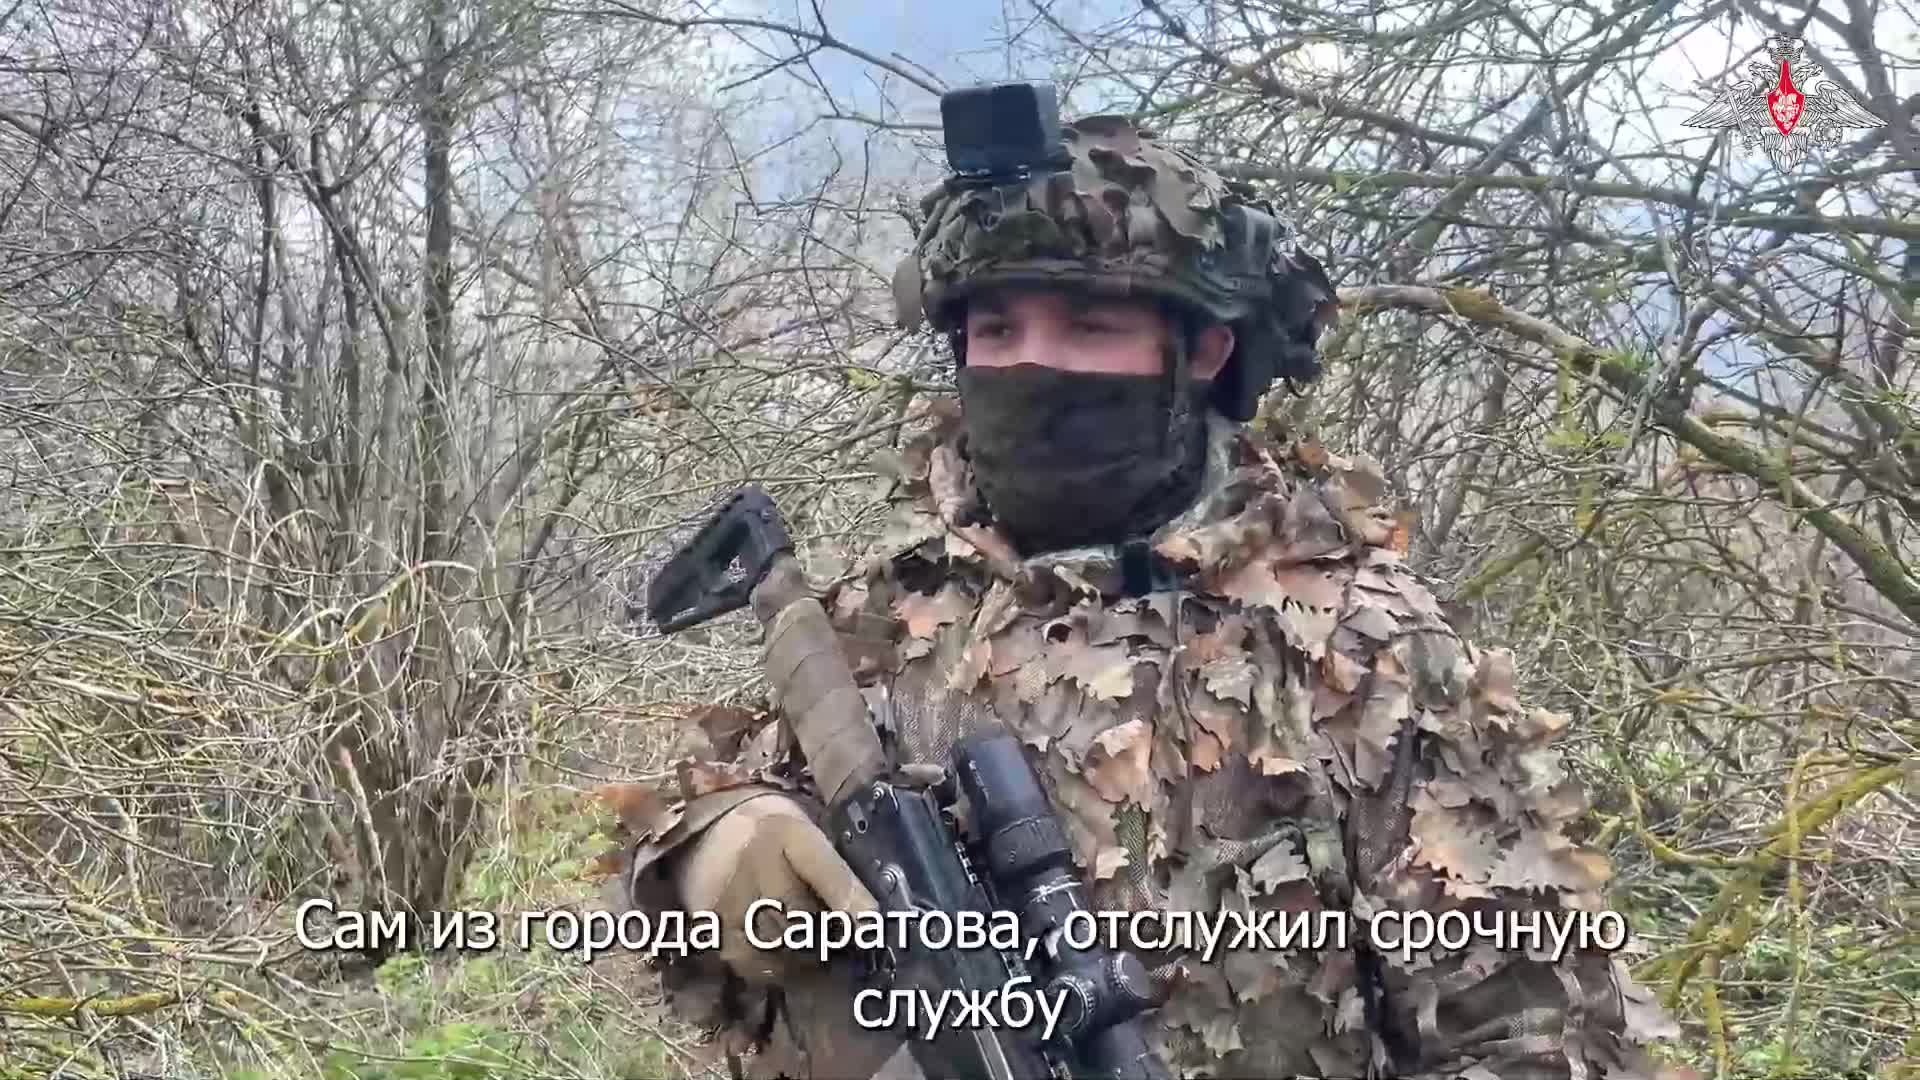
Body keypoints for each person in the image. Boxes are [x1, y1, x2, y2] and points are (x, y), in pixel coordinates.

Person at [600, 112, 1678, 1080]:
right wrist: (717, 847)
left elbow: (1543, 1037)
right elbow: (674, 877)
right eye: (999, 329)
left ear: (1203, 349)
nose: (1034, 366)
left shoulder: (1362, 645)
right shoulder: (882, 612)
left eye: (1088, 326)